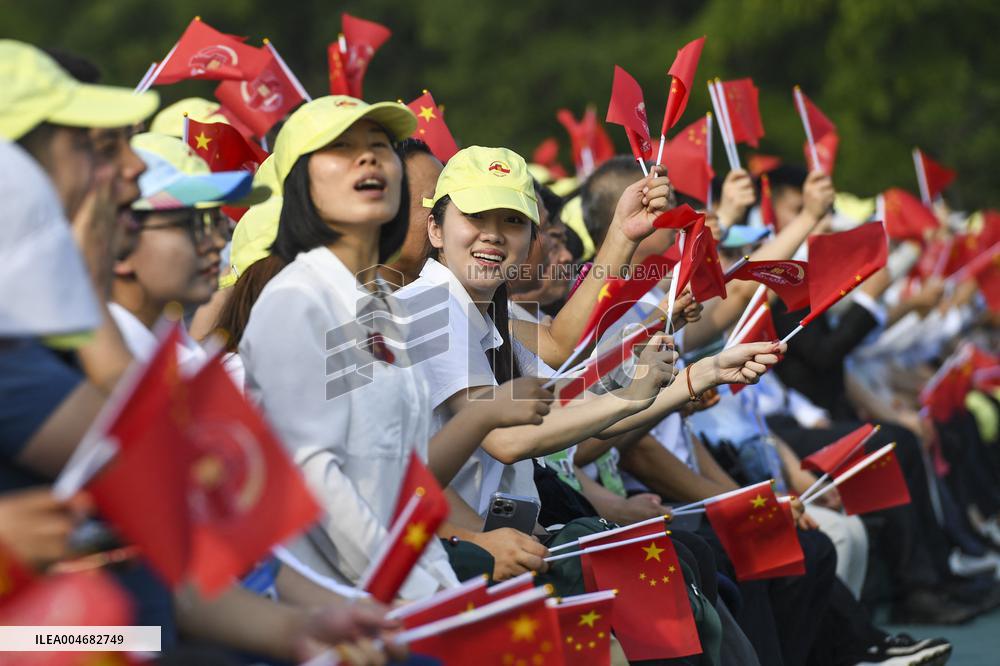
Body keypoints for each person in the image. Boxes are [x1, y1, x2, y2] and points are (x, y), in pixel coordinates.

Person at [236, 96, 553, 599]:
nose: (369, 159)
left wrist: (448, 558)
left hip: (417, 576)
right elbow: (317, 483)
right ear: (301, 183)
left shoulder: (375, 304)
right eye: (341, 149)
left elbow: (405, 473)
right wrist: (419, 584)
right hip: (357, 599)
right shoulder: (297, 301)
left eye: (379, 146)